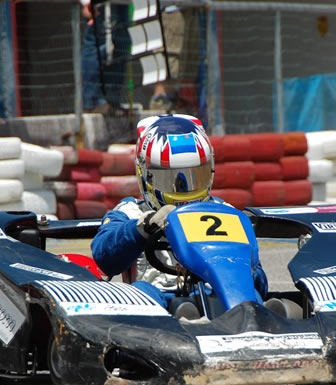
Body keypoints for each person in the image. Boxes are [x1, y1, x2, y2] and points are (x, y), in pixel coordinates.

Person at [90, 114, 268, 318]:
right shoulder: (131, 212)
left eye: (195, 176)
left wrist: (248, 273)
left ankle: (261, 324)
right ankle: (178, 322)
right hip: (159, 302)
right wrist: (143, 228)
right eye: (172, 180)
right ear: (144, 174)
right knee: (140, 291)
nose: (185, 189)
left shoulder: (223, 211)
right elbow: (104, 257)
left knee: (251, 295)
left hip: (217, 298)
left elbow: (261, 280)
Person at [77, 0, 132, 112]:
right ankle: (93, 102)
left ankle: (112, 101)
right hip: (98, 1)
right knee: (98, 42)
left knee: (121, 43)